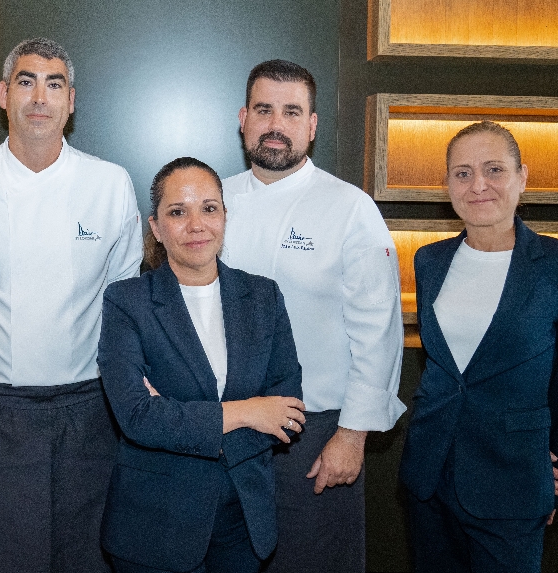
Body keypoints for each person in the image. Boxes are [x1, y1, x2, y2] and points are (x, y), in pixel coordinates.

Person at [0, 37, 142, 573]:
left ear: (72, 100)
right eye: (26, 82)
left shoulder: (110, 185)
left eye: (54, 84)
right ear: (3, 94)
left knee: (87, 558)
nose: (39, 97)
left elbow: (121, 301)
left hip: (89, 412)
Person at [220, 59, 406, 572]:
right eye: (264, 109)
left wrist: (352, 436)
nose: (276, 124)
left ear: (312, 125)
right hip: (225, 429)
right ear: (243, 118)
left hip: (316, 437)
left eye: (291, 111)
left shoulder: (350, 208)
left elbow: (379, 331)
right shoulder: (214, 202)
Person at [98, 157, 305, 573]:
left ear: (225, 217)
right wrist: (246, 412)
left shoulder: (263, 297)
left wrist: (182, 419)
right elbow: (137, 417)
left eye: (209, 208)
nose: (196, 225)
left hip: (243, 520)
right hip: (155, 525)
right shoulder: (126, 302)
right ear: (156, 227)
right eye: (178, 212)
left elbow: (287, 410)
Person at [399, 120, 558, 572]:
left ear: (522, 177)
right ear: (447, 183)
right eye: (462, 173)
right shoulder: (429, 260)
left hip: (515, 481)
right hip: (429, 475)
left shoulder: (552, 266)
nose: (478, 185)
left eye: (494, 169)